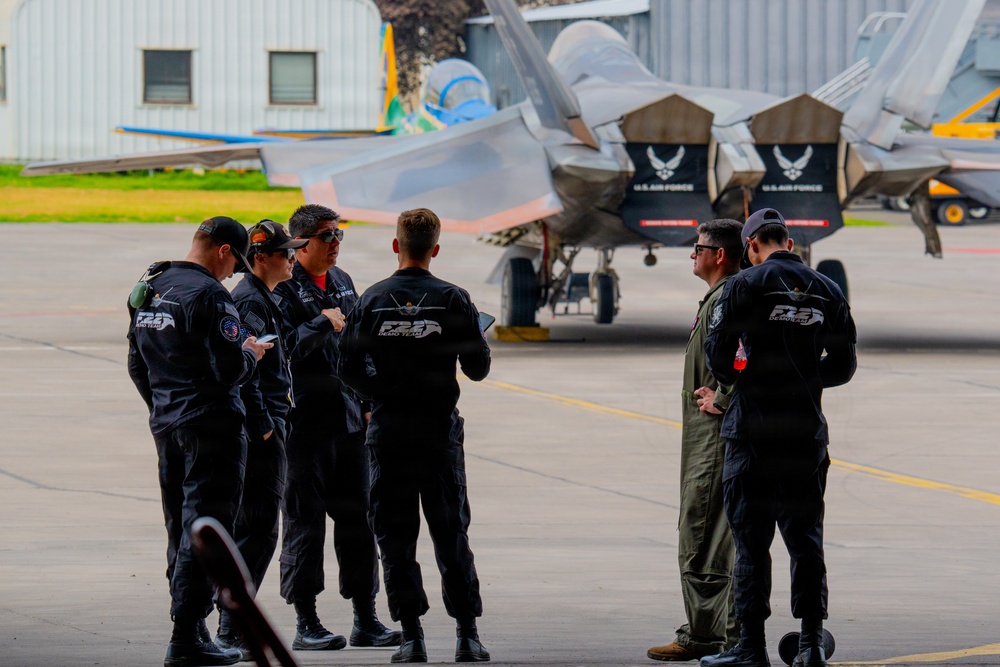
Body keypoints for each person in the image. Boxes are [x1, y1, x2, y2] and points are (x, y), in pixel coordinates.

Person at [701, 208, 857, 667]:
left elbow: (721, 360)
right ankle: (810, 645)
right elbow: (844, 366)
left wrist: (758, 377)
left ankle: (751, 647)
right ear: (789, 243)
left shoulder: (743, 285)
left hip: (752, 434)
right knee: (806, 540)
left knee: (751, 543)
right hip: (804, 435)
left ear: (751, 246)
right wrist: (803, 379)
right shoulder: (828, 289)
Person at [339, 207, 492, 664]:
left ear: (396, 246)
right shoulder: (454, 299)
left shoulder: (371, 299)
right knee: (452, 534)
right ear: (436, 250)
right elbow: (478, 369)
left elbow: (347, 368)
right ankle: (467, 635)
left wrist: (383, 393)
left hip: (388, 433)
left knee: (395, 538)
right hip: (438, 434)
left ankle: (411, 637)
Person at [126, 216, 271, 667]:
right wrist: (250, 351)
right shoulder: (210, 295)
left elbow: (137, 362)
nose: (234, 274)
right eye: (236, 263)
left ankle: (190, 627)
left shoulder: (152, 282)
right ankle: (187, 635)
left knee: (179, 527)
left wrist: (163, 409)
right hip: (211, 426)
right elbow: (230, 370)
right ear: (223, 251)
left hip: (168, 423)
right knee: (207, 529)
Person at [274, 204, 401, 651]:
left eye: (339, 235)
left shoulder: (344, 281)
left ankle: (365, 617)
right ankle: (306, 621)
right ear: (301, 242)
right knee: (305, 524)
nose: (335, 245)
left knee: (358, 522)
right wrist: (318, 322)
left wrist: (368, 402)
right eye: (327, 237)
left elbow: (360, 345)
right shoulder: (282, 288)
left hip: (350, 424)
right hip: (305, 427)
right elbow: (279, 351)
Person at [648, 219, 743, 662]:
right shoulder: (724, 295)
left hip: (714, 438)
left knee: (701, 529)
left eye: (698, 247)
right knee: (725, 533)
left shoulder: (729, 297)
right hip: (711, 434)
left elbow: (744, 356)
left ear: (718, 254)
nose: (693, 254)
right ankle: (731, 629)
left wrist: (723, 397)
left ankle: (704, 636)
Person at [216, 220, 309, 657]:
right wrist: (265, 424)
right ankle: (231, 625)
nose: (293, 258)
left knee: (257, 530)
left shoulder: (265, 296)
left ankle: (233, 621)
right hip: (261, 432)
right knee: (255, 530)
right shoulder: (249, 301)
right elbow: (244, 369)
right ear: (260, 258)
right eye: (285, 252)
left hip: (272, 423)